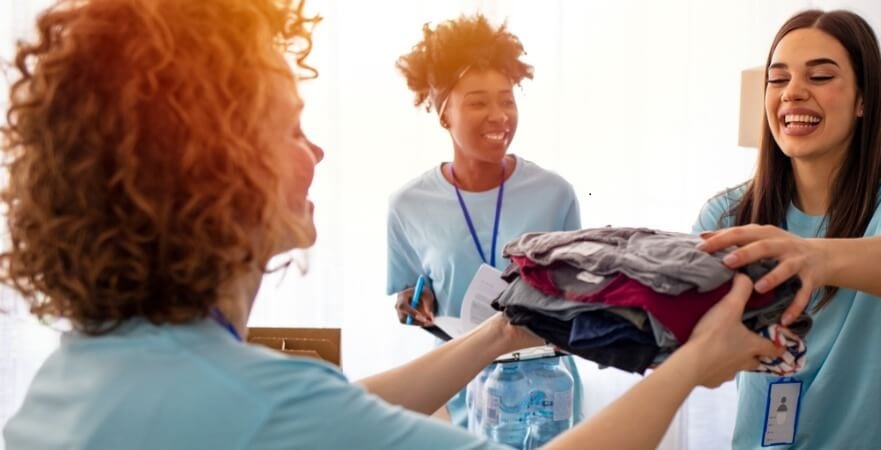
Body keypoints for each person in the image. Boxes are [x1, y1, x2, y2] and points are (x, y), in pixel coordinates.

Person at [0, 0, 784, 449]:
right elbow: (308, 412)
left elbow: (342, 408)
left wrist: (504, 329)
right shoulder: (257, 403)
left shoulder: (85, 372)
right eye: (288, 127)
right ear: (209, 164)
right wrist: (693, 363)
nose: (317, 149)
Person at [692, 10, 881, 449]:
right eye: (778, 81)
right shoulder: (726, 217)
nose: (793, 93)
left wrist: (815, 256)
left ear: (863, 100)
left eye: (819, 76)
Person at [388, 14, 583, 427]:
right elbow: (406, 298)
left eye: (507, 100)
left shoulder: (556, 194)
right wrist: (412, 305)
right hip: (459, 394)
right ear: (444, 114)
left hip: (547, 397)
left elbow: (577, 297)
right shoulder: (408, 205)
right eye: (477, 102)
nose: (498, 115)